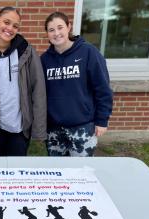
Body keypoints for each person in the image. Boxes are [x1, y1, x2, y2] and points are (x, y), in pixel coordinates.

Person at [0, 6, 46, 156]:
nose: (10, 28)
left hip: (20, 127)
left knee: (17, 172)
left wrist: (38, 130)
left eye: (15, 26)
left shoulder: (27, 52)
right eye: (6, 22)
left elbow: (38, 90)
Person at [41, 11, 113, 157]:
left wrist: (102, 120)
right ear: (47, 34)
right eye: (51, 30)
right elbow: (41, 94)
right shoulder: (44, 60)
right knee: (57, 174)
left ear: (68, 27)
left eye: (60, 27)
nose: (56, 33)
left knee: (81, 174)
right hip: (54, 129)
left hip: (83, 127)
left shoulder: (88, 52)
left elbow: (103, 89)